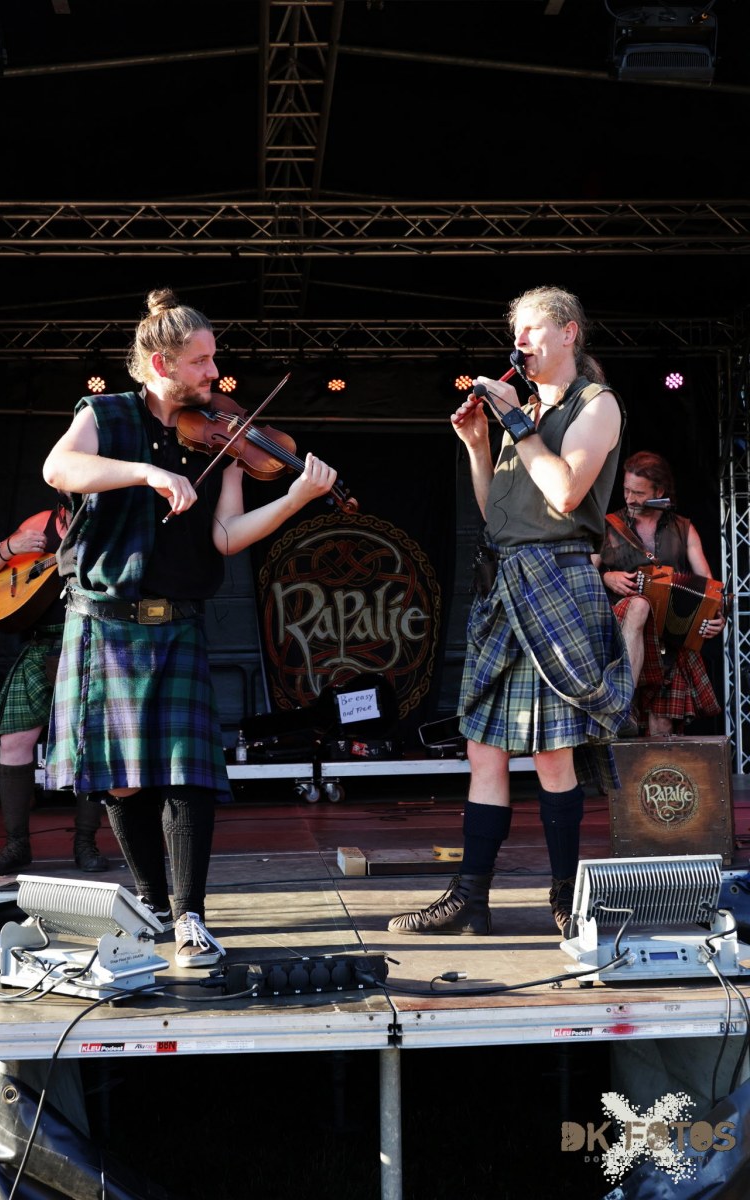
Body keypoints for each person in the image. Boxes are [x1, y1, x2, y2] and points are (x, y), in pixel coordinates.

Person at [42, 288, 339, 968]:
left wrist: (296, 496)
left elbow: (227, 536)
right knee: (121, 780)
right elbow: (59, 468)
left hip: (175, 623)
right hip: (105, 621)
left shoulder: (217, 436)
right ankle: (151, 906)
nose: (214, 373)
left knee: (188, 775)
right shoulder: (105, 415)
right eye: (202, 361)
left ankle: (189, 917)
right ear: (161, 364)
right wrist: (147, 472)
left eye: (213, 359)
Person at [388, 285, 633, 940]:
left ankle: (566, 898)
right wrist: (479, 444)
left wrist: (516, 426)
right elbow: (498, 512)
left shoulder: (597, 405)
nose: (518, 341)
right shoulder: (519, 412)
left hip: (558, 579)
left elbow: (564, 492)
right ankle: (471, 899)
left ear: (569, 333)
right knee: (484, 750)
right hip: (505, 581)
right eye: (515, 331)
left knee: (553, 755)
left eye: (531, 329)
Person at [0, 500, 109, 878]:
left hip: (90, 640)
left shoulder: (111, 516)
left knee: (88, 742)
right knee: (14, 741)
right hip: (41, 645)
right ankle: (16, 845)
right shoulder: (43, 521)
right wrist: (9, 549)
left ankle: (86, 843)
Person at [594, 451, 725, 736]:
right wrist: (606, 576)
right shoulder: (608, 527)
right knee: (639, 605)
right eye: (626, 490)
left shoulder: (683, 528)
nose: (629, 499)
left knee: (662, 725)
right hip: (618, 634)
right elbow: (581, 575)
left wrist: (717, 616)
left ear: (660, 492)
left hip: (667, 639)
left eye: (639, 493)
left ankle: (660, 767)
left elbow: (710, 587)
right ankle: (622, 705)